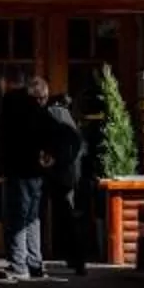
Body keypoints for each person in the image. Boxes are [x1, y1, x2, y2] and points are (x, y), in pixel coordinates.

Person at [0, 74, 55, 281]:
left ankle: (19, 265)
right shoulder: (40, 111)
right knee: (32, 217)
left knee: (17, 217)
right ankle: (35, 263)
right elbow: (48, 135)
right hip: (36, 171)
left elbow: (3, 136)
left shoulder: (12, 105)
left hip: (18, 168)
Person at [42, 82, 93, 277]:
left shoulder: (55, 118)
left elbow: (63, 152)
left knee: (68, 219)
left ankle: (75, 259)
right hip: (75, 177)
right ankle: (76, 259)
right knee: (72, 219)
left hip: (64, 178)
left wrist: (51, 163)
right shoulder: (72, 124)